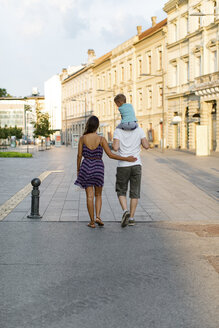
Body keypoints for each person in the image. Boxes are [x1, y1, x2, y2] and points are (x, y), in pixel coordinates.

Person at [74, 116, 137, 228]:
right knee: (98, 195)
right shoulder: (101, 139)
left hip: (86, 167)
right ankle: (98, 216)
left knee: (89, 196)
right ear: (97, 126)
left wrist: (78, 170)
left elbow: (79, 156)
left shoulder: (82, 139)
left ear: (88, 125)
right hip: (98, 168)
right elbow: (111, 155)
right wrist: (127, 158)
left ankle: (92, 222)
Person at [113, 124, 149, 227]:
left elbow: (115, 148)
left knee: (121, 190)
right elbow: (146, 146)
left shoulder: (118, 130)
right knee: (135, 192)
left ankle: (125, 211)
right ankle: (132, 218)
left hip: (123, 165)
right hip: (136, 165)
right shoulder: (139, 130)